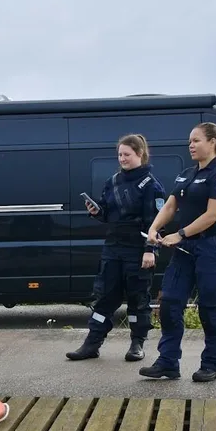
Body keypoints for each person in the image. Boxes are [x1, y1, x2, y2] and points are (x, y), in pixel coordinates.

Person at [140, 122, 216, 382]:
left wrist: (180, 234)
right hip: (185, 250)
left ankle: (212, 364)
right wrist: (154, 227)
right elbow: (171, 206)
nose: (190, 145)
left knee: (209, 308)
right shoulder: (186, 174)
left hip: (212, 249)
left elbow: (212, 216)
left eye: (196, 141)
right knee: (170, 302)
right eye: (189, 141)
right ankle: (168, 362)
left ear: (212, 143)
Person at [66, 134, 166, 362]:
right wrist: (97, 212)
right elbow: (108, 213)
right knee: (104, 298)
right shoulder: (112, 182)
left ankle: (137, 345)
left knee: (138, 299)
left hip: (138, 250)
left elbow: (156, 223)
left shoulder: (152, 185)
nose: (122, 158)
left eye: (127, 154)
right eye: (120, 154)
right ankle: (92, 344)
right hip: (113, 248)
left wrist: (150, 249)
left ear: (139, 154)